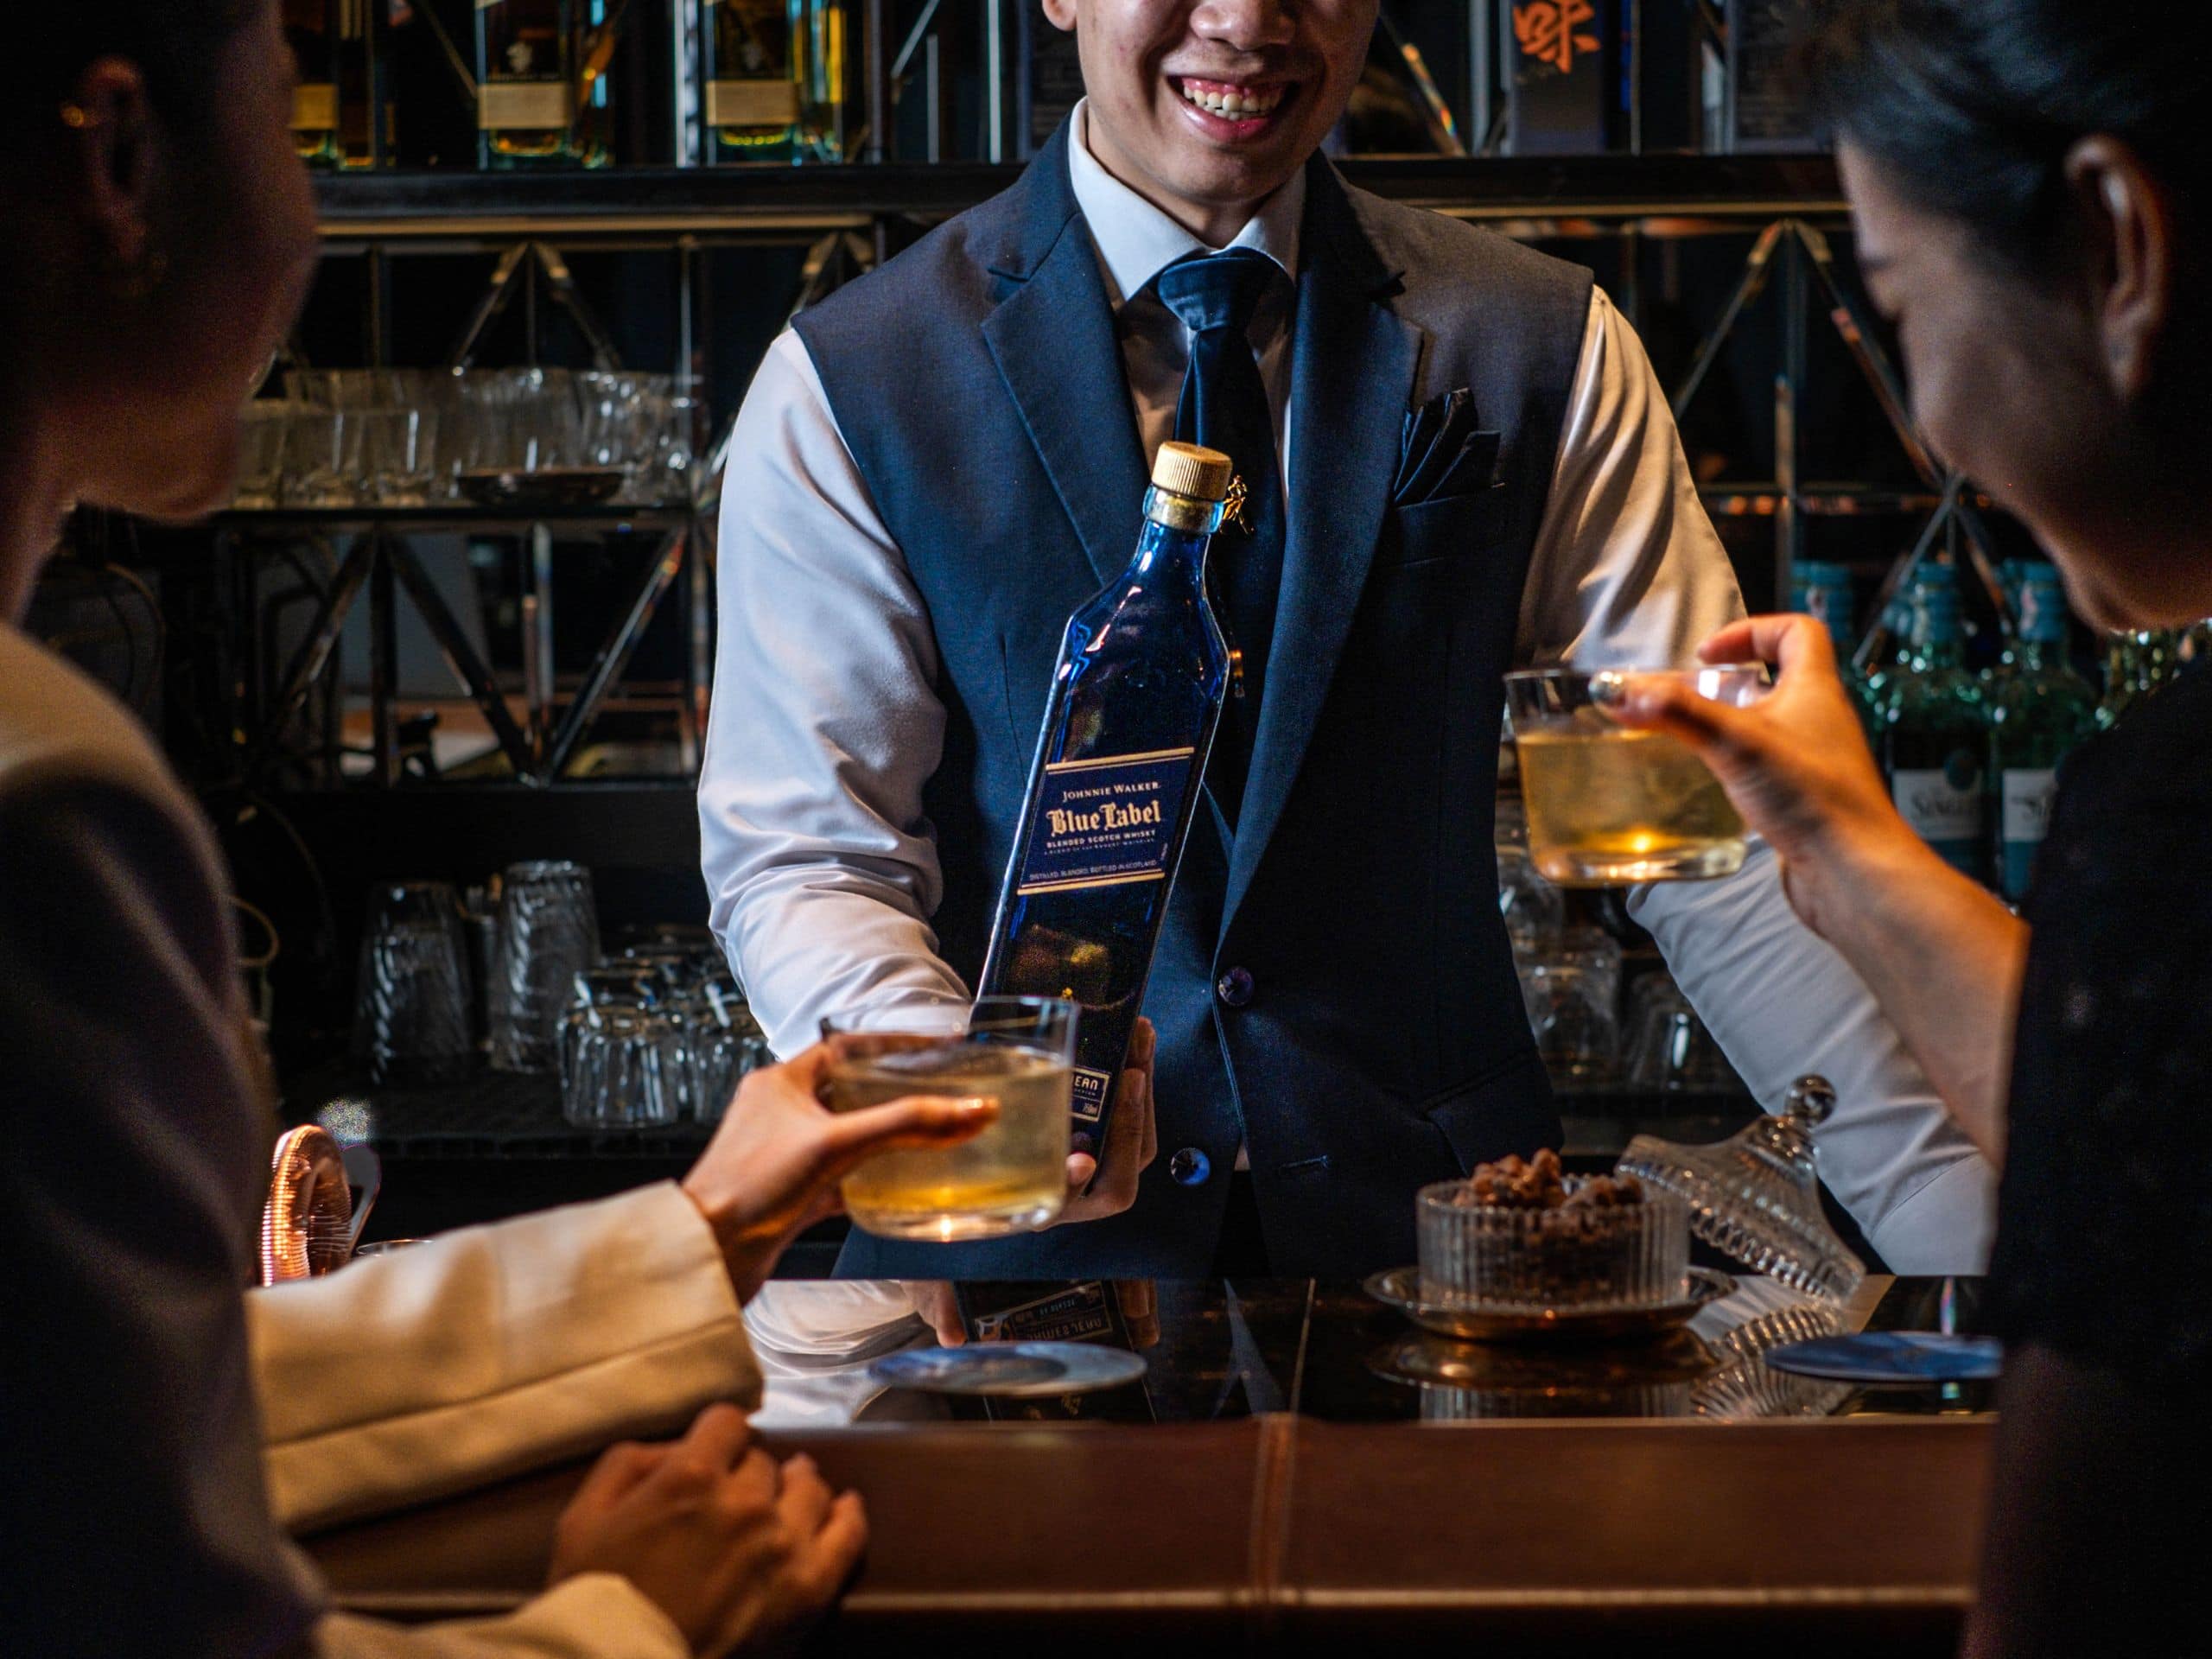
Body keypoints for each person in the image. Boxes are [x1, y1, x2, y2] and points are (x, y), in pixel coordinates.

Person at [0, 4, 1147, 1654]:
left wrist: (693, 1244)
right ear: (121, 163)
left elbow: (132, 1409)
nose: (315, 206)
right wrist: (623, 1620)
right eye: (283, 106)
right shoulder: (49, 814)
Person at [701, 0, 1996, 1279]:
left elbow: (1710, 834)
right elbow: (816, 856)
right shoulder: (847, 380)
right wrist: (966, 1133)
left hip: (1456, 1259)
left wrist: (1963, 1229)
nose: (1248, 22)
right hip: (1016, 1280)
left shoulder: (1548, 341)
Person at [1602, 4, 2209, 1653]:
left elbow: (2079, 1605)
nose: (1931, 424)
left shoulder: (2172, 809)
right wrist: (1836, 847)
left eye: (1899, 301)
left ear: (2115, 243)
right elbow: (2157, 1162)